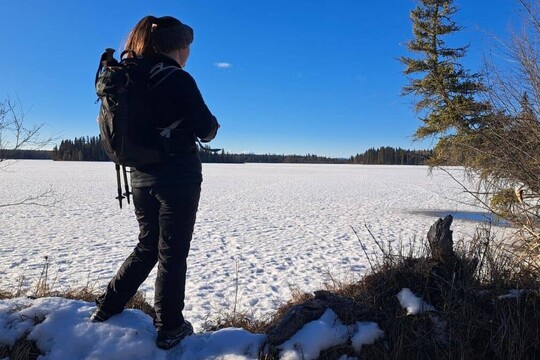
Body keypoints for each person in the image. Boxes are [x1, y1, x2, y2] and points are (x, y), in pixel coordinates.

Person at [91, 15, 219, 350]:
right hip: (177, 175)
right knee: (172, 252)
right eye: (187, 46)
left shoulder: (132, 74)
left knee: (148, 245)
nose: (189, 52)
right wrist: (212, 126)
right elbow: (205, 127)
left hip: (140, 176)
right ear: (178, 46)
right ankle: (170, 328)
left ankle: (108, 305)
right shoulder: (177, 78)